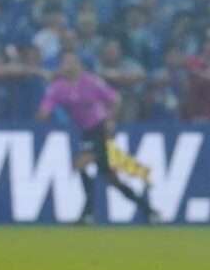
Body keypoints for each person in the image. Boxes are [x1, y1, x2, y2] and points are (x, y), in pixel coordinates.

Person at [37, 51, 157, 224]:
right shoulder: (59, 87)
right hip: (87, 132)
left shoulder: (91, 82)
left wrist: (111, 120)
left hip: (99, 129)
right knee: (112, 180)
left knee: (81, 164)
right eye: (65, 63)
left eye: (72, 62)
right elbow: (45, 109)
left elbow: (115, 99)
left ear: (79, 64)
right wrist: (43, 114)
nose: (69, 66)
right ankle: (148, 211)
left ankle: (88, 213)